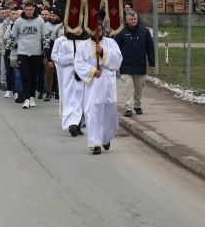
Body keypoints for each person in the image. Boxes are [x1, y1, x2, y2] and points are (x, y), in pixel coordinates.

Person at [74, 23, 123, 155]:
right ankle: (95, 143)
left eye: (99, 30)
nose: (97, 33)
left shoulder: (111, 43)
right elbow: (78, 63)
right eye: (94, 31)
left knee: (109, 111)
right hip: (93, 84)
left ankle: (105, 137)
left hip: (108, 82)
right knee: (93, 112)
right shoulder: (83, 46)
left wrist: (103, 52)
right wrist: (91, 71)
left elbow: (118, 59)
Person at [114, 10, 155, 117]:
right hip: (126, 66)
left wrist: (152, 63)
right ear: (127, 21)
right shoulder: (121, 32)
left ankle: (137, 105)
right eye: (131, 19)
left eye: (135, 19)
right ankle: (128, 107)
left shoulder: (144, 31)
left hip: (140, 65)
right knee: (127, 87)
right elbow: (115, 49)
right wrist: (115, 65)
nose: (133, 21)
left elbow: (150, 47)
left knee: (139, 88)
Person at [51, 30, 88, 137]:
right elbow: (59, 59)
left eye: (80, 28)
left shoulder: (86, 43)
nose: (78, 31)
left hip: (83, 73)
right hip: (69, 74)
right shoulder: (64, 43)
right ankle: (72, 123)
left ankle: (78, 123)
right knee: (71, 98)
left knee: (82, 99)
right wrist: (73, 58)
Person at [9, 2, 45, 108]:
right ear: (24, 10)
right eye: (27, 10)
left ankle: (32, 97)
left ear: (34, 9)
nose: (29, 12)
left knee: (34, 76)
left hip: (36, 52)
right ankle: (26, 98)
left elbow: (45, 36)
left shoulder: (39, 20)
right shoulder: (19, 21)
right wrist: (11, 48)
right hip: (23, 52)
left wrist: (45, 50)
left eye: (31, 9)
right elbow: (12, 36)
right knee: (25, 75)